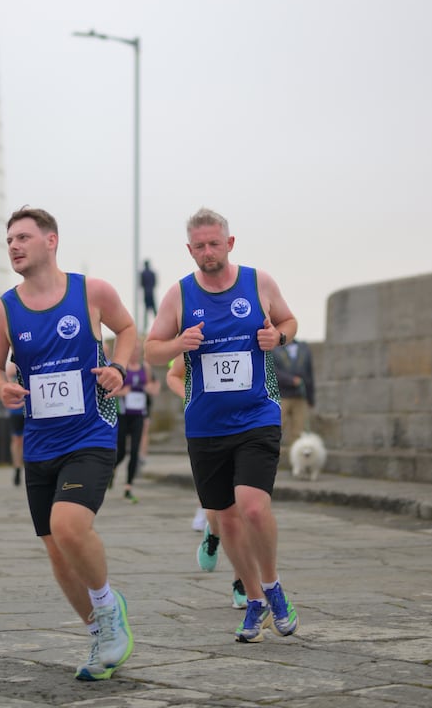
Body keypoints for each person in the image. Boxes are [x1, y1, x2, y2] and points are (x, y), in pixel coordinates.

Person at [0, 206, 137, 682]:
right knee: (55, 547)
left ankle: (109, 609)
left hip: (91, 433)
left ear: (51, 241)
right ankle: (100, 632)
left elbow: (128, 330)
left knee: (68, 526)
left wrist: (120, 368)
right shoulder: (2, 309)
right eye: (9, 239)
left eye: (23, 237)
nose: (14, 245)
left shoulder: (92, 291)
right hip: (40, 443)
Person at [145, 207, 299, 644]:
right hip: (206, 425)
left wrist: (279, 338)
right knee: (225, 519)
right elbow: (152, 352)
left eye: (215, 243)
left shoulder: (258, 282)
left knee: (252, 507)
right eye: (200, 246)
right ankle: (253, 601)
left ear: (229, 244)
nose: (208, 252)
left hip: (257, 415)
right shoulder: (179, 294)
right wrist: (178, 343)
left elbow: (289, 320)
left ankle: (272, 586)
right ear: (189, 249)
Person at [166, 354, 248, 609]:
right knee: (220, 508)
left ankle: (242, 582)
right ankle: (212, 533)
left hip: (249, 426)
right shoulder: (199, 332)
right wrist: (191, 396)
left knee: (246, 507)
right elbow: (173, 374)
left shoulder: (248, 323)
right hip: (208, 428)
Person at [113, 338, 160, 503]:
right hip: (123, 415)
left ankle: (128, 487)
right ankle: (111, 470)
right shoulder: (122, 367)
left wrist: (149, 388)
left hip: (139, 415)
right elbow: (111, 390)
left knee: (134, 451)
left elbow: (155, 388)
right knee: (120, 452)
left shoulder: (145, 368)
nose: (135, 353)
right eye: (133, 349)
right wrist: (122, 392)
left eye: (138, 350)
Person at [272, 338, 316, 457]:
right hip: (282, 396)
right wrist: (291, 380)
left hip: (300, 396)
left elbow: (309, 372)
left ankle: (297, 462)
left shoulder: (304, 348)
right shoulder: (274, 348)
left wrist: (310, 397)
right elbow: (273, 371)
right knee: (276, 428)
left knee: (299, 431)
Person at [6, 359, 25, 486]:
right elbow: (8, 374)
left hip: (31, 407)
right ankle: (17, 467)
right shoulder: (12, 363)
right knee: (17, 439)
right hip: (16, 409)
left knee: (27, 439)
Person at [139, 260, 157, 328]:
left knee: (146, 311)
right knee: (154, 311)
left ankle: (145, 326)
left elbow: (141, 284)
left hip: (146, 293)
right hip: (151, 293)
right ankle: (157, 325)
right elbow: (155, 283)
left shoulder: (143, 273)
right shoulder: (152, 273)